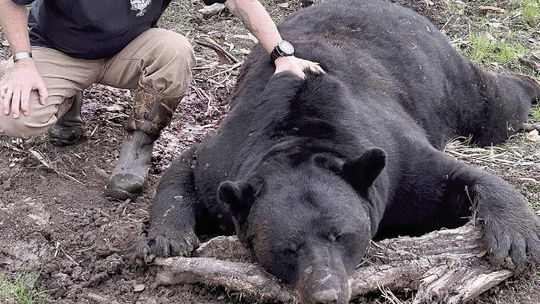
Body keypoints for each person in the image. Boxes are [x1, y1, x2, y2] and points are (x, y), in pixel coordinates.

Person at [0, 0, 324, 200]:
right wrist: (23, 62)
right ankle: (67, 103)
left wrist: (282, 54)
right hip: (57, 49)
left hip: (124, 50)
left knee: (174, 49)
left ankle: (138, 146)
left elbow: (241, 1)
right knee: (14, 117)